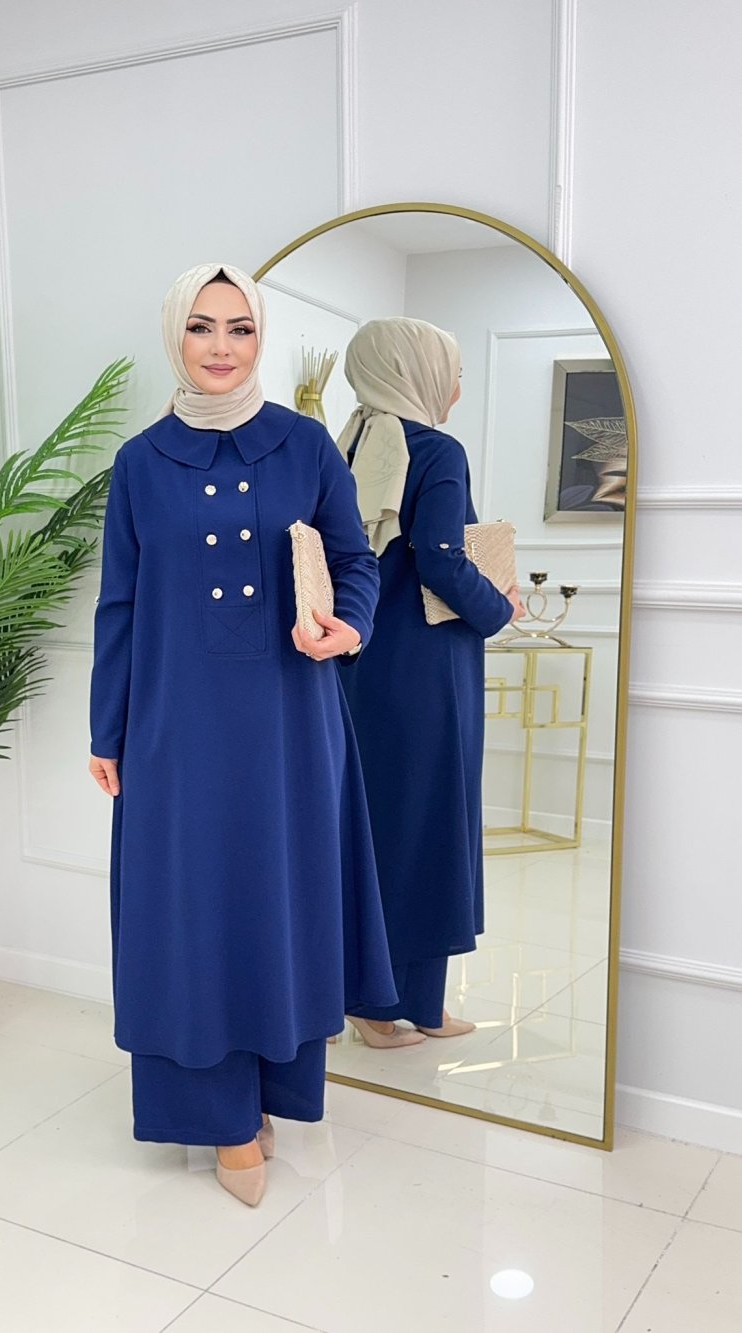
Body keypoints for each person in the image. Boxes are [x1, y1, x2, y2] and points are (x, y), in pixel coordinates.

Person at [88, 264, 396, 1206]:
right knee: (191, 908)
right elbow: (119, 605)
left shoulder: (306, 446)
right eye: (201, 327)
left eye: (240, 328)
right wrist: (108, 729)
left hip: (290, 726)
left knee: (276, 901)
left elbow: (355, 562)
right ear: (174, 336)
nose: (221, 347)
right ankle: (221, 1118)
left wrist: (349, 625)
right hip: (175, 729)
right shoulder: (140, 462)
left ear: (261, 337)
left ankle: (270, 1094)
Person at [336, 318, 524, 1049]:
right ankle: (397, 1005)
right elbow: (442, 561)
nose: (457, 388)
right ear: (413, 371)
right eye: (453, 371)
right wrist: (499, 608)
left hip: (358, 669)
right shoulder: (437, 451)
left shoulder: (348, 446)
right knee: (428, 831)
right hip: (427, 673)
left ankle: (377, 998)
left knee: (376, 833)